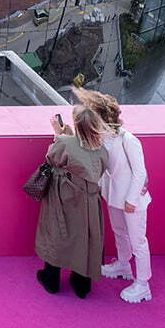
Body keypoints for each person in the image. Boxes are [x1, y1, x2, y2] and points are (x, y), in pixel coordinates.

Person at [75, 88, 153, 303]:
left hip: (131, 199)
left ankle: (143, 284)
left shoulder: (128, 139)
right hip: (113, 196)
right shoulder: (102, 138)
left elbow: (140, 172)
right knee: (119, 232)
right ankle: (123, 264)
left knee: (138, 241)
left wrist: (131, 200)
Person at [34, 103, 110, 299]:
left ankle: (51, 280)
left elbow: (52, 158)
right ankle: (81, 285)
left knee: (57, 233)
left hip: (64, 196)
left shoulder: (65, 143)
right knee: (84, 237)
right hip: (90, 200)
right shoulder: (101, 149)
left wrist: (58, 134)